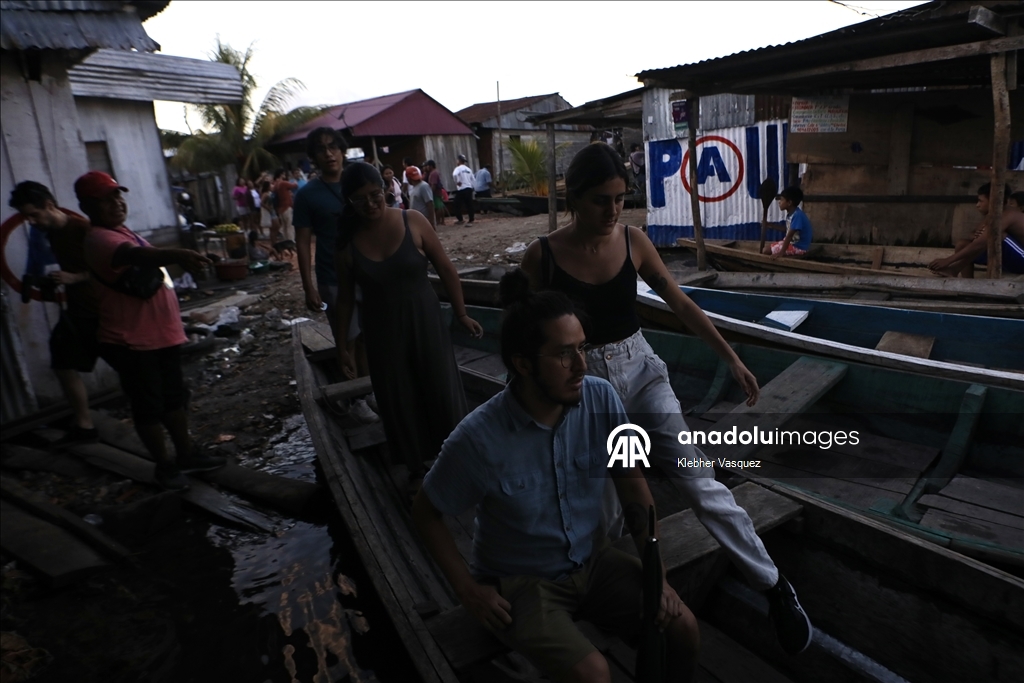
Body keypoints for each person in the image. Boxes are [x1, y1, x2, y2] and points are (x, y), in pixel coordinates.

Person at [520, 143, 813, 657]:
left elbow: (680, 303)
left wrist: (731, 359)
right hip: (586, 390)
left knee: (698, 480)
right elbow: (524, 338)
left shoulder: (633, 241)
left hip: (642, 374)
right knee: (609, 511)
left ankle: (773, 586)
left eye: (619, 199)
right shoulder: (541, 257)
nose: (612, 211)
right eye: (600, 202)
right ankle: (639, 607)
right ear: (575, 199)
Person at [414, 273, 700, 682]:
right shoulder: (478, 438)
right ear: (523, 364)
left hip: (594, 559)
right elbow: (426, 513)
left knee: (682, 628)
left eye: (582, 348)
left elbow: (633, 484)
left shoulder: (600, 398)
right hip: (523, 583)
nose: (582, 365)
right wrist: (468, 590)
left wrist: (658, 577)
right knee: (594, 674)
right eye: (564, 354)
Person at [333, 162, 482, 498]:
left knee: (440, 386)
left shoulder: (412, 221)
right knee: (398, 397)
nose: (371, 204)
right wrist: (342, 347)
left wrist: (460, 314)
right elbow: (343, 301)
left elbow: (446, 268)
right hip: (382, 332)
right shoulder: (347, 245)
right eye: (360, 200)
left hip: (425, 321)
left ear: (386, 189)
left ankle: (458, 458)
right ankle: (417, 467)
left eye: (375, 195)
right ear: (349, 203)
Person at [77, 171, 223, 491]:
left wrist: (190, 259)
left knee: (173, 397)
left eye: (118, 196)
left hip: (159, 335)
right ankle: (164, 465)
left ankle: (185, 454)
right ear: (88, 206)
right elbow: (139, 257)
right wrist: (177, 254)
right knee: (148, 406)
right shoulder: (100, 238)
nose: (117, 203)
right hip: (131, 340)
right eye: (106, 200)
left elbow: (146, 264)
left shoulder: (123, 231)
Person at [8, 181, 100, 448]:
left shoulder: (83, 230)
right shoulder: (51, 233)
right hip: (78, 311)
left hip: (102, 311)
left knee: (131, 368)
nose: (31, 221)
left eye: (34, 214)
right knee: (62, 363)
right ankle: (84, 425)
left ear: (49, 205)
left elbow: (112, 269)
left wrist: (76, 277)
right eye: (27, 217)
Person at [929, 183, 1024, 276]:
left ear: (993, 200)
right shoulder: (993, 214)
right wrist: (977, 235)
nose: (977, 205)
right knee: (962, 244)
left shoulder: (1009, 214)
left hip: (1022, 260)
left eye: (981, 201)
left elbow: (982, 241)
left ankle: (954, 268)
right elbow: (975, 234)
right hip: (1010, 258)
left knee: (996, 235)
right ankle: (966, 284)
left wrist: (948, 260)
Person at [761, 187, 812, 259]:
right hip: (792, 244)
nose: (779, 202)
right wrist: (770, 225)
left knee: (765, 250)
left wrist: (781, 253)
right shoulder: (791, 214)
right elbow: (787, 230)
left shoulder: (797, 215)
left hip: (799, 247)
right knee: (766, 248)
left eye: (782, 199)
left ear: (789, 203)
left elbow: (789, 236)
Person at [273, 169, 299, 243]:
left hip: (280, 208)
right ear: (281, 174)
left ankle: (286, 241)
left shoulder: (276, 184)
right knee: (290, 226)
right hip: (286, 206)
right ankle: (291, 241)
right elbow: (295, 185)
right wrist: (293, 180)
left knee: (284, 226)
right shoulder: (283, 183)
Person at [452, 153, 475, 226]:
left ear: (458, 160)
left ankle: (460, 219)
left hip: (462, 189)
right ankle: (471, 219)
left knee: (457, 204)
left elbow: (455, 175)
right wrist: (472, 187)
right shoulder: (469, 169)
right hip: (469, 188)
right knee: (469, 204)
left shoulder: (458, 168)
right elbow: (473, 179)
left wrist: (457, 182)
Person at [423, 160, 446, 226]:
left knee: (438, 207)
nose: (427, 167)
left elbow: (433, 184)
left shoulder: (433, 173)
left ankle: (439, 221)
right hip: (438, 191)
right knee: (440, 206)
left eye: (427, 166)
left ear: (430, 166)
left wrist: (431, 193)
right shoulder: (436, 172)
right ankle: (441, 221)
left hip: (435, 192)